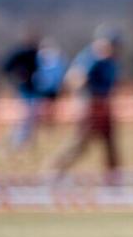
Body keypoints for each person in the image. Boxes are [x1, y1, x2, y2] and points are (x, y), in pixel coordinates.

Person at [50, 25, 121, 180]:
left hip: (104, 107)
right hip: (90, 107)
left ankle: (113, 179)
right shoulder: (91, 58)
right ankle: (55, 170)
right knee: (80, 144)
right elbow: (73, 78)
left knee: (110, 145)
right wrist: (82, 92)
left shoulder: (111, 61)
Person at [1, 27, 45, 155]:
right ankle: (15, 145)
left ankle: (24, 145)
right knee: (25, 118)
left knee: (31, 119)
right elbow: (6, 66)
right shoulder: (19, 52)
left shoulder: (36, 53)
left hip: (34, 90)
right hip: (24, 90)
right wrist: (17, 75)